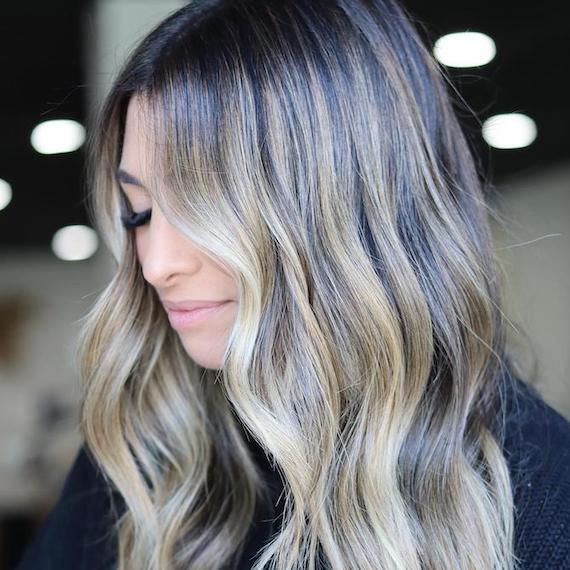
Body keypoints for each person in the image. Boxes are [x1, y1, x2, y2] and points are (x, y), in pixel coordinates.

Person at [16, 0, 570, 569]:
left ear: (346, 208)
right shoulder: (150, 452)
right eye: (139, 212)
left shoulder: (544, 508)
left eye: (206, 209)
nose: (156, 265)